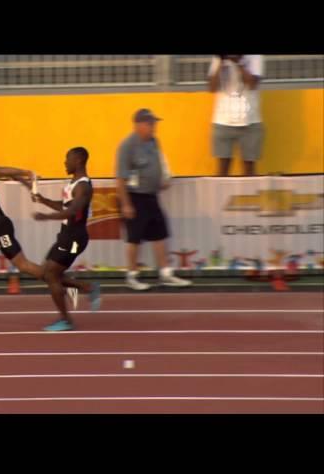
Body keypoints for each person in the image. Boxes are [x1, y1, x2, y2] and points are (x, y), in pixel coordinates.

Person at [0, 145, 101, 320]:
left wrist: (26, 173)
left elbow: (1, 170)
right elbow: (5, 173)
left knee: (32, 269)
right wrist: (24, 180)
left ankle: (81, 286)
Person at [115, 108, 192, 291]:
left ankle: (165, 273)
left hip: (151, 196)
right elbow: (120, 178)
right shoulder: (127, 146)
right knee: (134, 238)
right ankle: (132, 275)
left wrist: (163, 179)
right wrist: (126, 204)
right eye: (150, 124)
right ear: (138, 125)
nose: (153, 127)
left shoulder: (153, 142)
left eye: (154, 123)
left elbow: (159, 164)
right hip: (134, 197)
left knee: (160, 234)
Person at [32, 147, 101, 331]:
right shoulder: (73, 183)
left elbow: (72, 211)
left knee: (51, 274)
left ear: (78, 161)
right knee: (46, 273)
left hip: (74, 239)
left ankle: (66, 320)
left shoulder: (83, 187)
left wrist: (45, 217)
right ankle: (87, 288)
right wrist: (42, 200)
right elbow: (63, 206)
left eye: (67, 159)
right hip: (66, 236)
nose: (64, 162)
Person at [208, 55, 264, 176]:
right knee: (222, 171)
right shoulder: (219, 58)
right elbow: (212, 87)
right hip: (223, 120)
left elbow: (252, 84)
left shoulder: (255, 57)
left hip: (250, 121)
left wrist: (239, 62)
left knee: (249, 171)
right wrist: (220, 62)